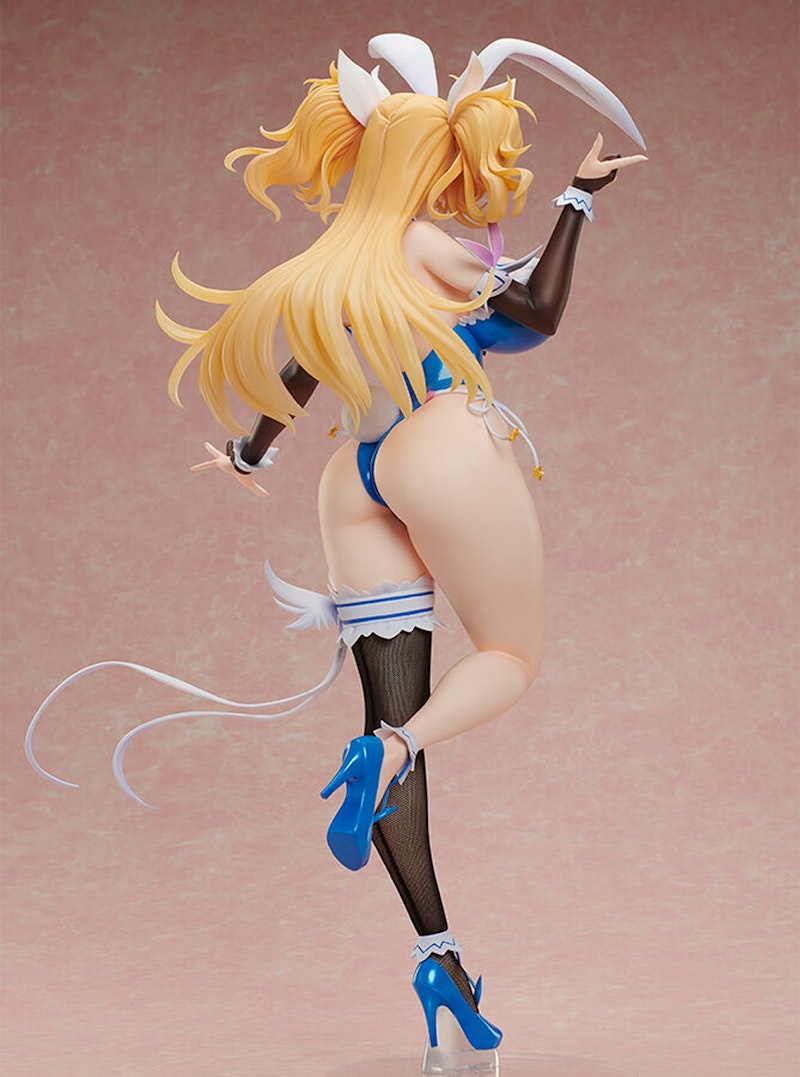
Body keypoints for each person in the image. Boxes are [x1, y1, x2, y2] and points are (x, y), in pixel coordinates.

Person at [29, 34, 645, 1054]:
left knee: (398, 709)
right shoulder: (428, 248)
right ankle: (387, 750)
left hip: (351, 483)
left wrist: (248, 453)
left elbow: (303, 371)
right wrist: (579, 199)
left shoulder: (343, 258)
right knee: (506, 659)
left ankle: (440, 959)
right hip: (437, 448)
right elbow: (534, 312)